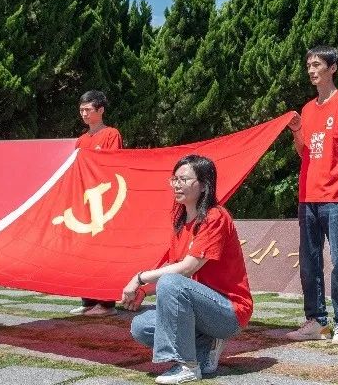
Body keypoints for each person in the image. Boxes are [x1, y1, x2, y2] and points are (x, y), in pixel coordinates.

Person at [124, 155, 252, 384]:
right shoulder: (181, 222)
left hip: (228, 312)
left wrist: (140, 278)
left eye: (183, 179)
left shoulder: (215, 217)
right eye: (174, 179)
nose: (177, 185)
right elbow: (173, 269)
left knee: (170, 282)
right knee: (141, 326)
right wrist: (143, 291)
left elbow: (187, 268)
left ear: (203, 185)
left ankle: (187, 366)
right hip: (199, 307)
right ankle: (207, 344)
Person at [286, 45, 338, 345]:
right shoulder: (307, 109)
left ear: (333, 68)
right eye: (309, 65)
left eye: (317, 65)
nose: (311, 70)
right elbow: (302, 151)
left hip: (337, 198)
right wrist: (296, 131)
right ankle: (316, 322)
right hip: (308, 196)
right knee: (309, 262)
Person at [70, 90, 123, 316]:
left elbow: (113, 164)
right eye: (81, 110)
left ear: (100, 110)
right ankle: (88, 300)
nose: (84, 114)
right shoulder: (81, 140)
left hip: (104, 200)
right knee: (85, 251)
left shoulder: (111, 134)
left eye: (88, 110)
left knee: (104, 251)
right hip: (85, 201)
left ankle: (106, 303)